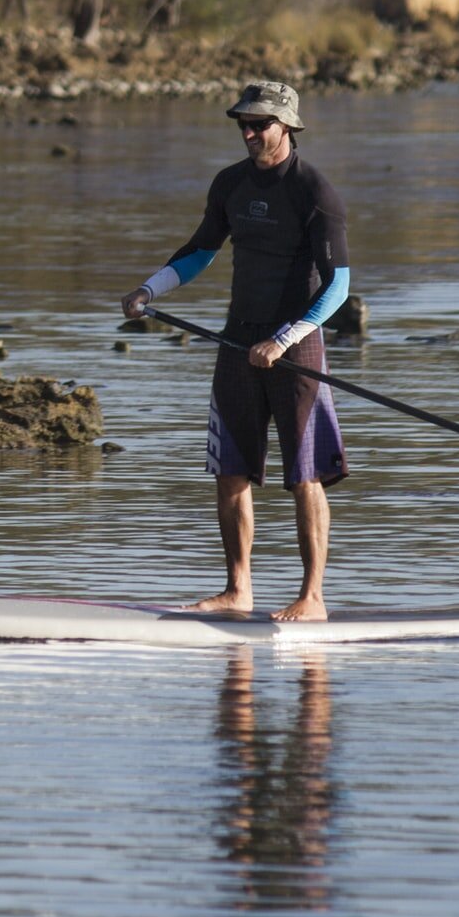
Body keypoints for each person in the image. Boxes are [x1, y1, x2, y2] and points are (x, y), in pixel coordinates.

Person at [122, 81, 350, 620]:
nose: (248, 133)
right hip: (237, 340)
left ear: (287, 126)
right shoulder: (230, 184)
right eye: (242, 124)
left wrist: (284, 338)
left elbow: (338, 286)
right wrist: (149, 290)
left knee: (305, 475)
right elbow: (201, 249)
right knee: (230, 470)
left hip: (296, 345)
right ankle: (237, 590)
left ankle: (312, 597)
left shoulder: (315, 191)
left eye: (260, 124)